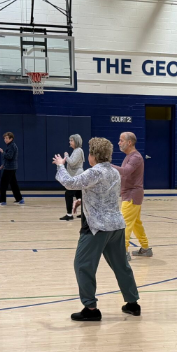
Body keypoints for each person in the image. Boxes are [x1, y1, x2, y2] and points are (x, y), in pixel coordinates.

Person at [53, 137, 141, 321]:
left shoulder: (94, 172)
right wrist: (82, 200)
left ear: (93, 156)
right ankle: (132, 304)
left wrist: (61, 165)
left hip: (96, 228)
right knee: (121, 266)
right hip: (116, 227)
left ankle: (91, 309)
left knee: (82, 266)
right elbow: (102, 194)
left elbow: (69, 183)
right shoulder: (114, 172)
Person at [113, 132, 152, 257]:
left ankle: (123, 252)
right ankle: (145, 248)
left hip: (132, 196)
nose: (119, 142)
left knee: (124, 224)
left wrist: (107, 165)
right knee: (136, 223)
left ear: (129, 142)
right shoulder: (129, 156)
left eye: (121, 140)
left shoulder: (135, 157)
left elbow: (125, 172)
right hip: (131, 195)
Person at [0, 132, 24, 206]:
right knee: (14, 184)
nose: (5, 140)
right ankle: (19, 199)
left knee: (3, 184)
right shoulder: (10, 145)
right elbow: (8, 158)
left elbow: (9, 156)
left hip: (10, 168)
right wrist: (3, 165)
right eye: (4, 138)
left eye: (7, 138)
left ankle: (2, 200)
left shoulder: (12, 146)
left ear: (11, 138)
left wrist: (2, 152)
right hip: (10, 167)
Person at [61, 134, 85, 221]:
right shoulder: (76, 150)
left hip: (76, 176)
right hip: (76, 176)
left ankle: (69, 214)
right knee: (79, 195)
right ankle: (84, 214)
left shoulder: (78, 150)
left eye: (71, 140)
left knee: (68, 194)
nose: (70, 142)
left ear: (76, 141)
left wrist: (66, 156)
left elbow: (72, 163)